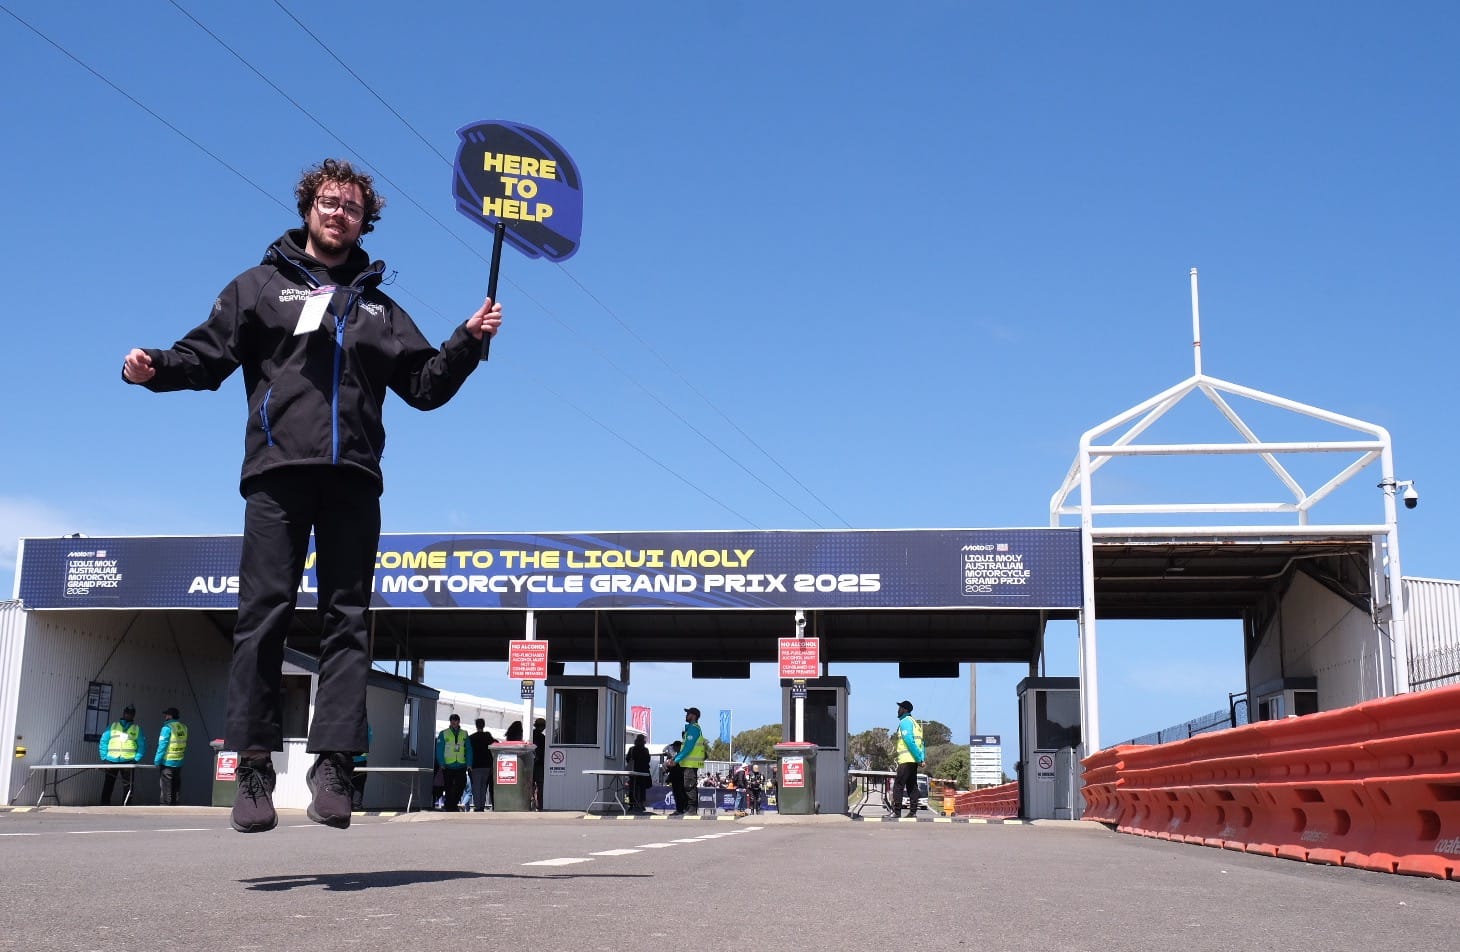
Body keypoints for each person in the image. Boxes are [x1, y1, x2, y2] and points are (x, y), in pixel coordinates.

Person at [121, 158, 503, 834]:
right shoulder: (259, 286)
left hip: (354, 476)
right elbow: (205, 356)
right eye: (328, 202)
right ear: (307, 208)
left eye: (352, 207)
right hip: (277, 472)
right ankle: (255, 771)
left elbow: (425, 386)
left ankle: (334, 766)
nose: (338, 214)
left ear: (364, 221)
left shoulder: (381, 307)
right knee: (262, 615)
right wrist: (154, 369)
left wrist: (467, 343)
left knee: (346, 619)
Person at [99, 704, 145, 805]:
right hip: (111, 760)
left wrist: (136, 759)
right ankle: (104, 806)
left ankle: (126, 807)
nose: (129, 715)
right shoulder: (113, 726)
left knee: (128, 786)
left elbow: (141, 746)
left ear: (134, 715)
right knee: (108, 785)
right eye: (127, 713)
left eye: (131, 714)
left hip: (128, 761)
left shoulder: (136, 729)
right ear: (124, 713)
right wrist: (104, 757)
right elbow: (104, 741)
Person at [890, 699, 926, 818]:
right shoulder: (915, 723)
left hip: (906, 759)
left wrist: (918, 757)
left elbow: (909, 741)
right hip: (914, 761)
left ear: (905, 710)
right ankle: (913, 812)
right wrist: (921, 759)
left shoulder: (905, 722)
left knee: (898, 785)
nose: (898, 710)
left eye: (900, 708)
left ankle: (897, 812)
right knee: (912, 786)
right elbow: (922, 743)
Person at [671, 707, 707, 816]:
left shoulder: (693, 729)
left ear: (694, 716)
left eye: (688, 714)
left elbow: (688, 747)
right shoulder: (690, 729)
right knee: (687, 785)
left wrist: (676, 760)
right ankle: (687, 809)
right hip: (687, 764)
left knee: (689, 785)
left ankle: (691, 810)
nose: (686, 716)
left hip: (690, 764)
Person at [436, 714, 472, 811]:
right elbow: (439, 749)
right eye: (452, 720)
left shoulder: (464, 733)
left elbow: (468, 749)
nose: (454, 722)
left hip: (461, 764)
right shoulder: (444, 733)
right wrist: (441, 763)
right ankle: (450, 806)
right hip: (448, 765)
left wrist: (469, 763)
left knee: (461, 785)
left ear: (459, 721)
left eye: (455, 720)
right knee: (448, 787)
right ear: (450, 721)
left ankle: (453, 803)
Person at [154, 707, 189, 805]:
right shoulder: (184, 727)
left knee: (166, 787)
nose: (165, 716)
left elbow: (162, 746)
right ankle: (175, 805)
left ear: (170, 716)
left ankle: (166, 805)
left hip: (167, 762)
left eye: (166, 715)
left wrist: (157, 761)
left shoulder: (167, 728)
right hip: (179, 761)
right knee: (175, 786)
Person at [469, 718, 496, 812]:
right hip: (487, 766)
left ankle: (478, 806)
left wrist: (469, 764)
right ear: (483, 725)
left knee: (476, 786)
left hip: (475, 766)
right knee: (484, 786)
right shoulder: (488, 737)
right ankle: (482, 805)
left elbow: (468, 752)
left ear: (476, 726)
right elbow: (496, 744)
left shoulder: (471, 738)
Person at [626, 734, 652, 812]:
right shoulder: (645, 750)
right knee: (642, 788)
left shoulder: (632, 749)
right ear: (643, 741)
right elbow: (647, 760)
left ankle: (632, 804)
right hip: (643, 772)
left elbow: (627, 759)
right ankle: (641, 804)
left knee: (632, 787)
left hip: (634, 771)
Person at [350, 721, 373, 811]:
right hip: (361, 759)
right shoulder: (365, 724)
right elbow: (369, 738)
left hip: (346, 758)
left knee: (345, 782)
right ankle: (356, 805)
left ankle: (345, 804)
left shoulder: (345, 721)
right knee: (359, 783)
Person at [531, 717, 547, 810]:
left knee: (530, 785)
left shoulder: (530, 735)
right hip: (539, 764)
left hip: (530, 763)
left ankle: (531, 803)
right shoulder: (542, 738)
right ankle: (540, 805)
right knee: (540, 786)